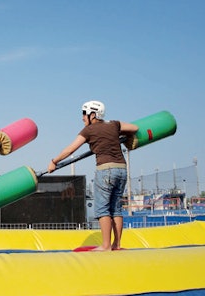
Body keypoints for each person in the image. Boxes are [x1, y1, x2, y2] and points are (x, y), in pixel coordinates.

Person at [47, 100, 138, 251]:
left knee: (103, 209)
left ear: (93, 114)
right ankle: (117, 244)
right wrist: (119, 133)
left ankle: (106, 245)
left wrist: (54, 161)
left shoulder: (88, 131)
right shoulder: (114, 124)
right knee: (116, 208)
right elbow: (135, 127)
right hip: (121, 169)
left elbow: (70, 149)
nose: (82, 117)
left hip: (106, 169)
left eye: (84, 114)